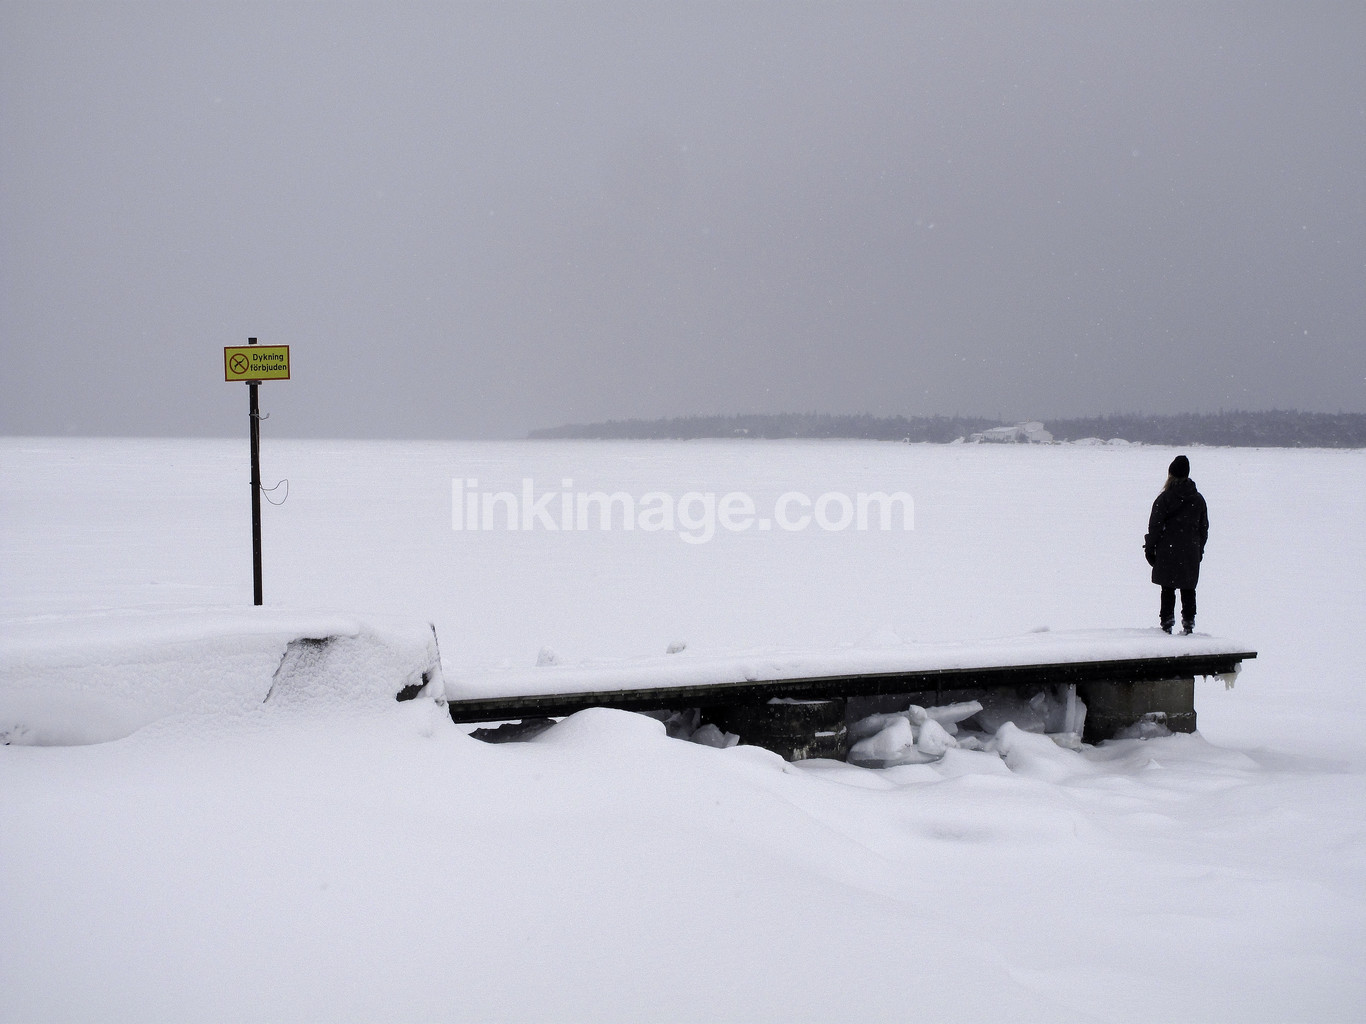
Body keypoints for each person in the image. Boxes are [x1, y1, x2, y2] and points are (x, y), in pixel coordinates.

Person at [1144, 455, 1208, 634]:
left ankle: (1167, 623)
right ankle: (1189, 624)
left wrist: (1150, 548)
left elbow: (1155, 526)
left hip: (1168, 551)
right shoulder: (1198, 499)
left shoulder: (1165, 499)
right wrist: (1198, 550)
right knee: (1188, 589)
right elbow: (1203, 529)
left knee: (1167, 588)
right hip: (1190, 552)